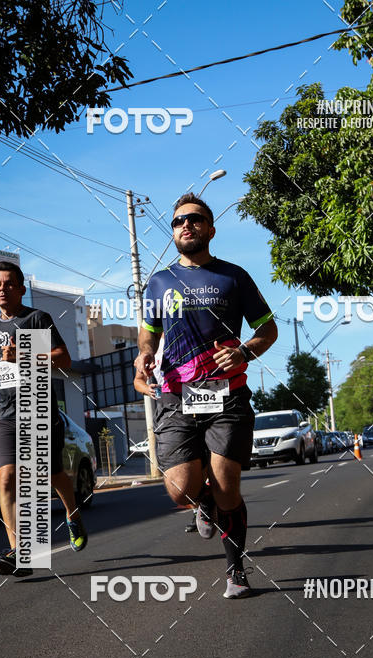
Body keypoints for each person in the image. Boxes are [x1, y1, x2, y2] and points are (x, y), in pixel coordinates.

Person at [134, 193, 278, 598]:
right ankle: (202, 503)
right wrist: (145, 353)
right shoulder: (158, 282)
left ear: (210, 229)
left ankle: (236, 570)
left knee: (227, 484)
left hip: (226, 392)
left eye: (195, 220)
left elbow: (268, 329)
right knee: (179, 489)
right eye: (179, 220)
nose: (186, 225)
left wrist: (245, 350)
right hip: (176, 395)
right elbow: (148, 333)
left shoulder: (234, 277)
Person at [0, 262, 88, 577]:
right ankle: (20, 553)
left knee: (50, 473)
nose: (2, 289)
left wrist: (23, 354)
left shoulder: (37, 319)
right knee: (8, 478)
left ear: (21, 289)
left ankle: (73, 514)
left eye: (9, 283)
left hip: (37, 406)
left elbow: (62, 359)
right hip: (4, 411)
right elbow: (2, 369)